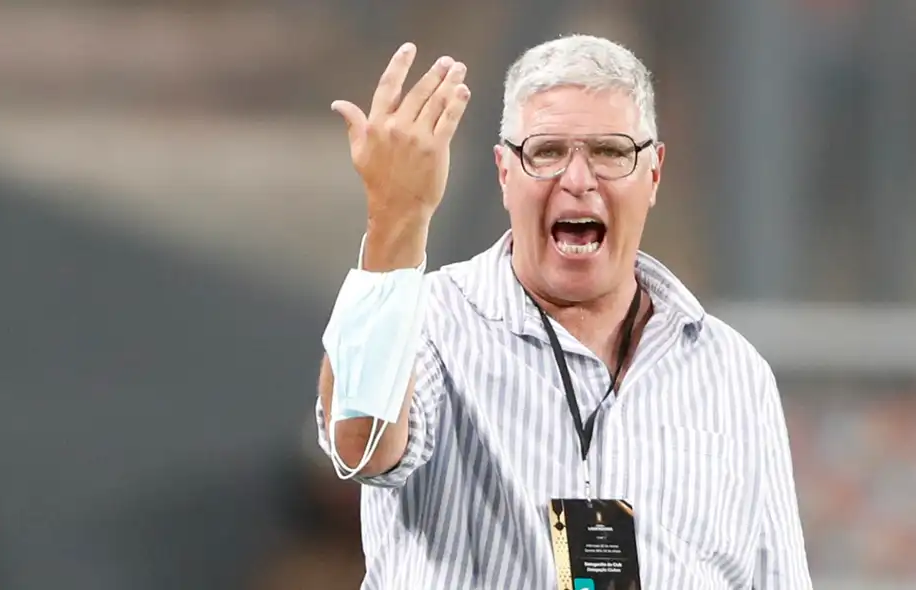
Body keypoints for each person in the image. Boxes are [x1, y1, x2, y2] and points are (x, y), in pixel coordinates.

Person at [315, 35, 813, 589]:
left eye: (610, 151)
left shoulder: (734, 373)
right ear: (505, 173)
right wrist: (395, 220)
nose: (578, 180)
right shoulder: (432, 322)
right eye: (547, 152)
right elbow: (360, 443)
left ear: (654, 173)